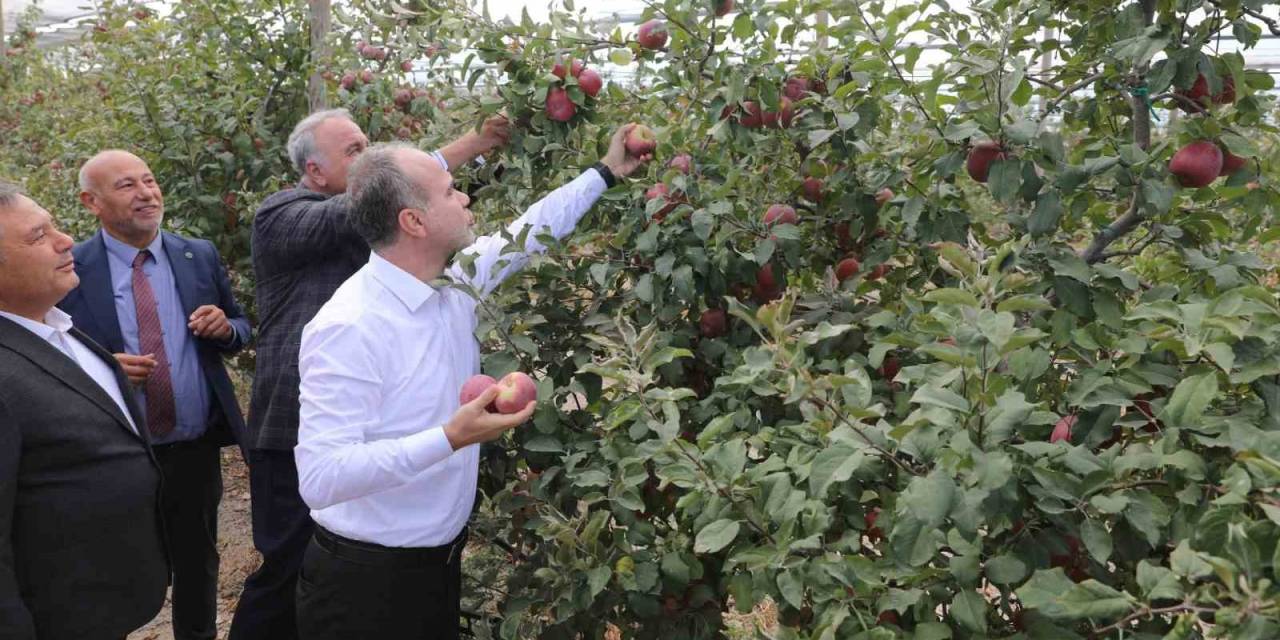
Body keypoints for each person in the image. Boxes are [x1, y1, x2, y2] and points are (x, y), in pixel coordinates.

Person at [292, 124, 650, 639]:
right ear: (413, 221)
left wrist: (606, 172)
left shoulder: (451, 283)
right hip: (363, 590)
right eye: (448, 191)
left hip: (433, 569)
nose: (463, 197)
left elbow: (527, 232)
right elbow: (322, 479)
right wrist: (449, 437)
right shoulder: (350, 325)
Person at [230, 109, 511, 639]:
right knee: (283, 576)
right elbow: (371, 203)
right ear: (314, 172)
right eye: (355, 151)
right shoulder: (283, 216)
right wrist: (469, 145)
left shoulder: (423, 275)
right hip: (289, 430)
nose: (367, 157)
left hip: (367, 428)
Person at [56, 150, 251, 640]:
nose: (146, 193)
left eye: (149, 180)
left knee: (197, 564)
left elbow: (243, 325)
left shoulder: (196, 254)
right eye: (126, 186)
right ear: (91, 202)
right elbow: (43, 347)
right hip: (114, 449)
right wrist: (100, 369)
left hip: (192, 445)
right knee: (113, 566)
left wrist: (226, 328)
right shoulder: (70, 268)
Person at [0, 181, 169, 640]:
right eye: (37, 237)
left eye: (53, 226)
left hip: (102, 604)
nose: (65, 240)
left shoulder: (58, 327)